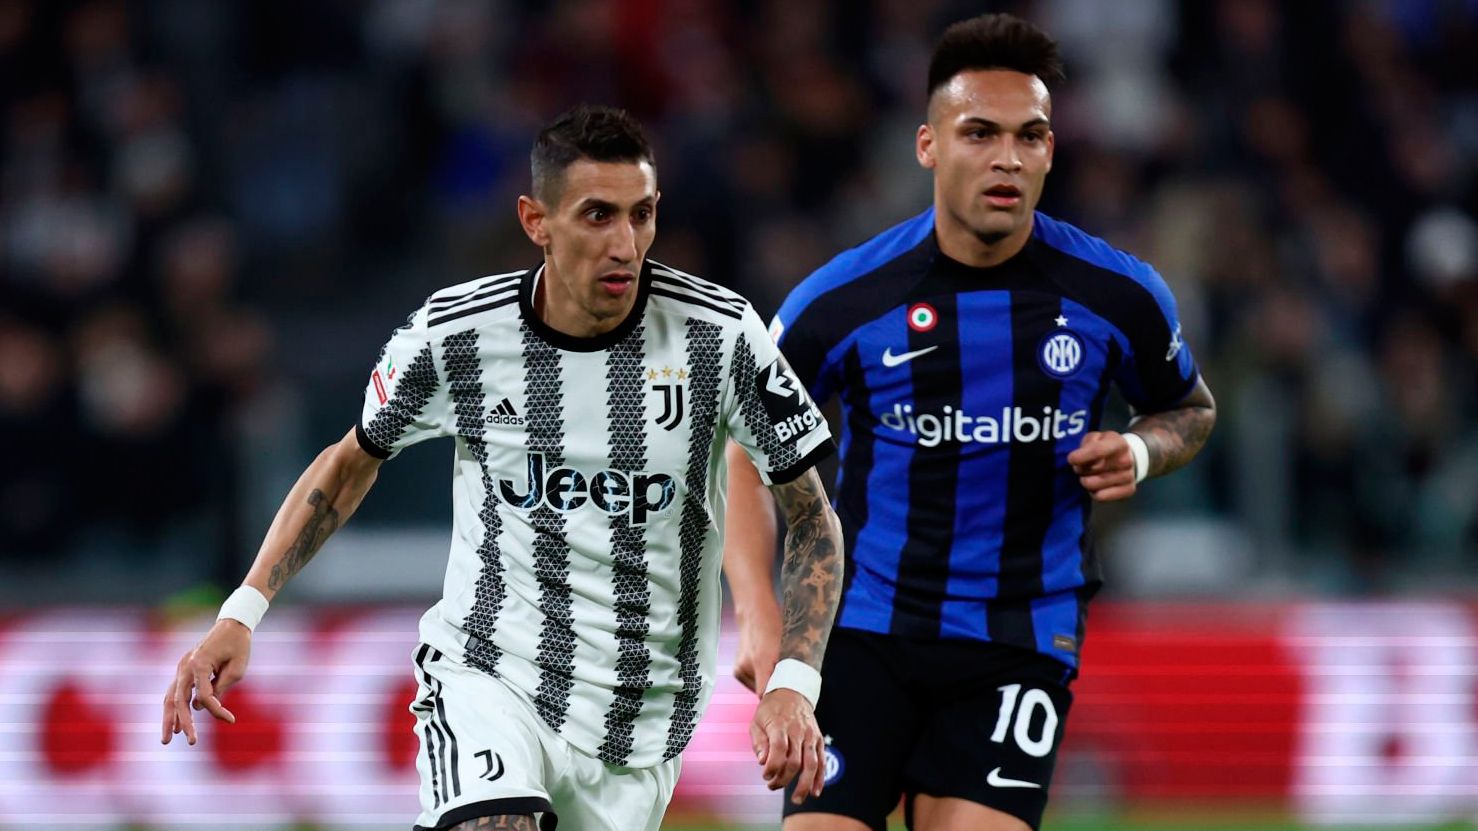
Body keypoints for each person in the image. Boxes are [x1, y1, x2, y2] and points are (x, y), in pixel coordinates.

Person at [162, 104, 845, 831]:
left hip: (640, 724)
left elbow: (812, 519)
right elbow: (348, 462)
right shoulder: (458, 335)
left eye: (641, 214)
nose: (625, 244)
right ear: (535, 220)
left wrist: (794, 683)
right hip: (490, 674)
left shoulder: (720, 336)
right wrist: (243, 610)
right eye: (597, 215)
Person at [724, 14, 1217, 831]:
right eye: (980, 133)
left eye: (1031, 136)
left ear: (1051, 151)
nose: (1007, 158)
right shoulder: (842, 300)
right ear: (929, 145)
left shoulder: (1117, 295)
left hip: (1019, 641)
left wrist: (1140, 448)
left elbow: (1190, 409)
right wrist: (760, 617)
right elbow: (745, 448)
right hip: (862, 629)